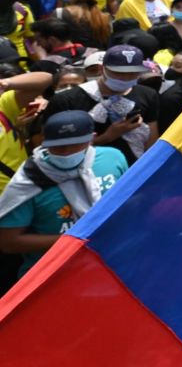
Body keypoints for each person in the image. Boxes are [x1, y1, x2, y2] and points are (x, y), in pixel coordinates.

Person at [0, 110, 128, 275]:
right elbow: (8, 242)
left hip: (111, 267)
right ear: (43, 142)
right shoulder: (29, 181)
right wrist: (76, 240)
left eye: (76, 145)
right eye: (58, 147)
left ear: (92, 138)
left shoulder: (113, 158)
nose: (67, 152)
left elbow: (127, 201)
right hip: (52, 275)